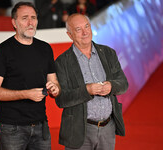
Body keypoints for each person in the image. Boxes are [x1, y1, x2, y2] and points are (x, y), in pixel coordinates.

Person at [0, 2, 60, 150]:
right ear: (14, 22)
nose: (30, 22)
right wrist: (27, 94)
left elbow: (54, 83)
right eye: (25, 18)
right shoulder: (3, 50)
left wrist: (55, 89)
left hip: (41, 126)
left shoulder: (45, 49)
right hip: (12, 129)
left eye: (33, 17)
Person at [55, 13, 128, 150]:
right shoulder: (62, 62)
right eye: (78, 29)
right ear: (70, 35)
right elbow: (61, 100)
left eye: (87, 26)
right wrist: (86, 90)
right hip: (78, 130)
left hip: (108, 128)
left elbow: (123, 84)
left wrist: (111, 86)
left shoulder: (108, 53)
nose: (85, 32)